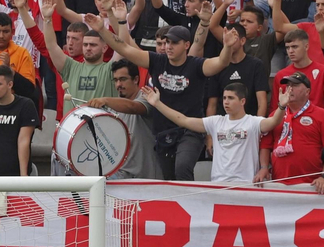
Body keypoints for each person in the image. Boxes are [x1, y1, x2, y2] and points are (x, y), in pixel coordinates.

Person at [91, 17, 231, 181]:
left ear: (186, 45)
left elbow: (222, 62)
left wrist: (227, 47)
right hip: (163, 130)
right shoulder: (157, 60)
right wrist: (102, 29)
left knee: (182, 167)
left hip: (190, 130)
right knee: (168, 177)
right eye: (166, 42)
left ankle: (189, 204)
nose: (168, 47)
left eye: (174, 43)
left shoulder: (196, 65)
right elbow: (124, 48)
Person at [143, 81, 284, 185]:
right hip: (218, 185)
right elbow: (183, 121)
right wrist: (157, 104)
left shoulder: (253, 122)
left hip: (246, 184)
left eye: (231, 98)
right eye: (224, 98)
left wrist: (282, 106)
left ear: (242, 101)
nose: (226, 102)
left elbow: (273, 122)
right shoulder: (216, 122)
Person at [269, 70, 324, 191]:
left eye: (295, 85)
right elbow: (265, 146)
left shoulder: (321, 115)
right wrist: (264, 167)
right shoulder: (275, 115)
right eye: (288, 86)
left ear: (307, 91)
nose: (290, 89)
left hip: (311, 186)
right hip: (279, 185)